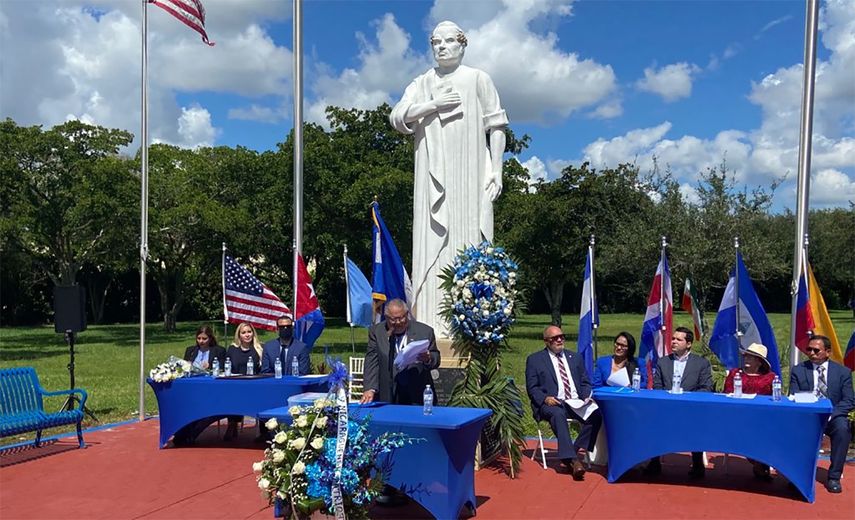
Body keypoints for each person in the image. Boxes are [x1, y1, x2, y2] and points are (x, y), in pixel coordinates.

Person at [389, 21, 508, 336]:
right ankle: (429, 326)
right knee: (432, 242)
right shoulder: (423, 82)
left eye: (448, 42)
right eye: (435, 42)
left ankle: (471, 323)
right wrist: (433, 106)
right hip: (432, 177)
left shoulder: (478, 79)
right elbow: (398, 117)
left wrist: (496, 169)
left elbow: (496, 125)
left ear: (462, 45)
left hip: (470, 172)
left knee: (469, 238)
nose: (441, 47)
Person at [525, 325, 603, 481]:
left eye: (562, 336)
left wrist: (587, 396)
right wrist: (545, 399)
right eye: (555, 338)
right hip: (552, 403)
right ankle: (573, 461)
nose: (560, 340)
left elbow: (585, 382)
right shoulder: (535, 360)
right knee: (558, 414)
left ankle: (572, 450)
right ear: (546, 341)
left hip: (575, 402)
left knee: (597, 415)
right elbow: (532, 388)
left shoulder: (575, 357)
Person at [789, 335, 854, 494]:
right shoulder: (799, 370)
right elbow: (794, 395)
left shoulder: (842, 372)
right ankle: (797, 475)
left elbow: (849, 400)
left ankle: (834, 477)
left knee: (842, 429)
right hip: (808, 416)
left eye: (816, 350)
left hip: (833, 417)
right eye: (808, 349)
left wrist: (831, 413)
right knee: (793, 429)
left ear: (828, 352)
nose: (811, 353)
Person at [647, 326, 713, 478]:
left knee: (697, 423)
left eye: (678, 339)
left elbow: (706, 388)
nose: (674, 342)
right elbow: (657, 387)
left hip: (691, 409)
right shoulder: (663, 362)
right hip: (666, 408)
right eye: (673, 338)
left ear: (688, 344)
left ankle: (697, 463)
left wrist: (686, 398)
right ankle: (654, 461)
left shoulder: (701, 363)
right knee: (653, 421)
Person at [360, 298, 440, 405]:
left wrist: (428, 358)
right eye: (393, 319)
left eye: (401, 318)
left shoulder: (425, 331)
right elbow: (372, 361)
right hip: (388, 393)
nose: (398, 322)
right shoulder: (377, 332)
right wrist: (370, 388)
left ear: (407, 314)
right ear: (386, 317)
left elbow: (436, 358)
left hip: (416, 394)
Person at [722, 342, 776, 481]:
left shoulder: (769, 378)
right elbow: (726, 393)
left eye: (751, 357)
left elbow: (772, 399)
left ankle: (760, 462)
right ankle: (758, 463)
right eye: (746, 356)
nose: (746, 359)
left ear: (759, 362)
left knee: (764, 431)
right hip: (735, 415)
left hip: (759, 417)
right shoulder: (735, 373)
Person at [172, 325, 228, 445]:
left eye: (204, 339)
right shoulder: (190, 350)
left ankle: (191, 435)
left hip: (211, 388)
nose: (201, 342)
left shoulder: (219, 351)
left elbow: (224, 369)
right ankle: (181, 433)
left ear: (210, 338)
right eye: (199, 338)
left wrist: (211, 367)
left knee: (205, 409)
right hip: (192, 388)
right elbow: (183, 368)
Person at [223, 322, 262, 441]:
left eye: (249, 332)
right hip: (236, 384)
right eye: (243, 332)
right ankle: (232, 424)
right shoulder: (232, 349)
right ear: (239, 335)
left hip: (255, 385)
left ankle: (263, 429)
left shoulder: (259, 349)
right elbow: (227, 367)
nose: (247, 335)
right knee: (231, 394)